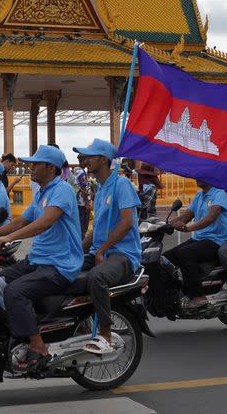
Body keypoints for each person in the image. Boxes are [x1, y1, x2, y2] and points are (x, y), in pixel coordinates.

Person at [0, 145, 83, 370]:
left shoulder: (61, 190)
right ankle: (19, 329)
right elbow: (22, 220)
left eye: (35, 164)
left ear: (50, 168)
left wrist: (8, 238)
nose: (30, 167)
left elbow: (44, 222)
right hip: (37, 261)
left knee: (15, 291)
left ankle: (38, 345)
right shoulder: (42, 191)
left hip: (60, 265)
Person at [74, 139, 141, 354]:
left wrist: (102, 250)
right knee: (61, 268)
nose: (86, 160)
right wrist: (77, 248)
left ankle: (105, 333)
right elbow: (97, 230)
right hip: (99, 251)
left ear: (103, 159)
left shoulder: (121, 184)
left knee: (97, 277)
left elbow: (126, 223)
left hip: (122, 254)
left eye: (90, 156)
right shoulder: (100, 188)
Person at [166, 180, 227, 309]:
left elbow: (210, 217)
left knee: (184, 253)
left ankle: (198, 296)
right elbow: (186, 216)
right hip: (200, 239)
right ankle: (173, 293)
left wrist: (189, 228)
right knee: (166, 258)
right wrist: (165, 224)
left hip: (216, 240)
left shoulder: (219, 193)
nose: (196, 178)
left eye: (200, 175)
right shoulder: (199, 196)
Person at [68, 154, 90, 237]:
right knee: (83, 226)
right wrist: (87, 203)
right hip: (82, 203)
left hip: (77, 202)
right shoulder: (81, 172)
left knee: (78, 225)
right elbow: (83, 187)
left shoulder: (75, 170)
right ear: (83, 160)